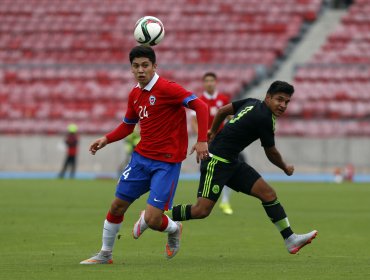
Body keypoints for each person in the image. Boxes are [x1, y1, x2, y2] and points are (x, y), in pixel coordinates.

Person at [80, 45, 209, 264]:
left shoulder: (168, 88)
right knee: (116, 206)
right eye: (136, 66)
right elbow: (128, 125)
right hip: (141, 160)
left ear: (154, 66)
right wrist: (106, 139)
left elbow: (201, 106)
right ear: (131, 69)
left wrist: (202, 140)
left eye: (145, 65)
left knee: (152, 218)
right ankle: (105, 254)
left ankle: (174, 228)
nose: (141, 70)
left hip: (166, 164)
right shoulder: (134, 94)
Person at [170, 81, 318, 254]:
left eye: (287, 102)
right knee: (201, 210)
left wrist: (212, 131)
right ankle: (157, 216)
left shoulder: (252, 102)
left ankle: (290, 239)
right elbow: (271, 153)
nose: (283, 105)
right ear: (268, 97)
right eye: (279, 100)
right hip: (216, 161)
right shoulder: (264, 119)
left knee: (268, 194)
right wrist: (285, 168)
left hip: (231, 162)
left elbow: (222, 111)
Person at [191, 72, 242, 215]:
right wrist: (200, 136)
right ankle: (201, 202)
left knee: (228, 170)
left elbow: (233, 118)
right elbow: (193, 121)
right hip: (207, 143)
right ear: (204, 83)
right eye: (206, 81)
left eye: (211, 80)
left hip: (223, 143)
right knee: (206, 171)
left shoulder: (223, 99)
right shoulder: (199, 100)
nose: (209, 83)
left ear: (215, 82)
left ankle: (225, 201)